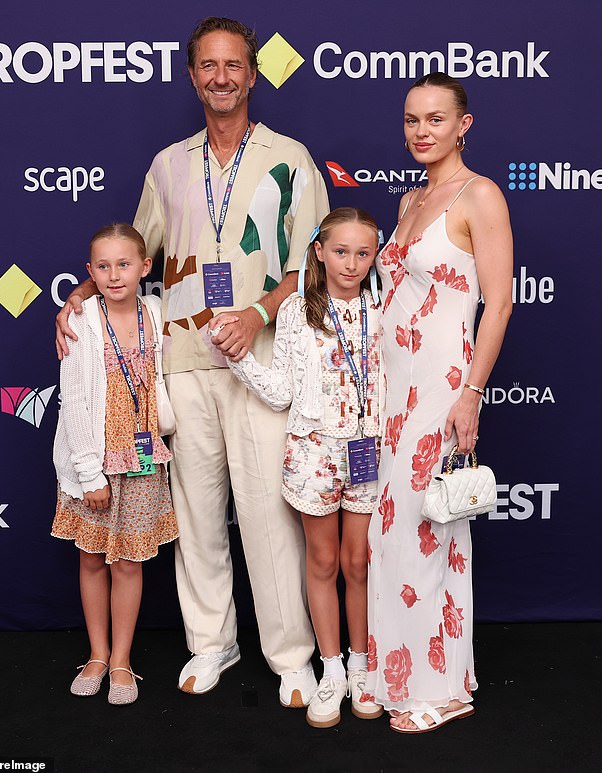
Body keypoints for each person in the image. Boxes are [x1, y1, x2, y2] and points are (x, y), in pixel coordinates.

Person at [55, 17, 328, 706]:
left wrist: (258, 313)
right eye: (208, 65)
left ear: (252, 75)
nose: (221, 76)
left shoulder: (291, 158)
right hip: (181, 360)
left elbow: (314, 265)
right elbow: (134, 247)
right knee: (199, 516)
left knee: (269, 514)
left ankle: (291, 655)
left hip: (265, 361)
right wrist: (80, 294)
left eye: (233, 64)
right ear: (192, 76)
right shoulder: (168, 164)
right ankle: (212, 641)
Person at [365, 72, 513, 733]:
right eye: (409, 120)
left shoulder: (480, 195)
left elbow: (498, 300)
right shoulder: (409, 200)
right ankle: (394, 669)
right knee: (389, 530)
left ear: (464, 124)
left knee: (428, 530)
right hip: (393, 388)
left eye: (434, 119)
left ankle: (442, 686)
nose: (420, 131)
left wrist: (471, 392)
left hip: (441, 384)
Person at [225, 208, 384, 728]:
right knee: (323, 561)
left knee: (358, 562)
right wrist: (237, 357)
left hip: (367, 451)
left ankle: (362, 669)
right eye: (341, 251)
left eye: (364, 253)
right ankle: (332, 670)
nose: (352, 263)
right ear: (318, 251)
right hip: (313, 454)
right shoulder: (296, 311)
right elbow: (281, 392)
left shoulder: (383, 307)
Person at [52, 224, 178, 705]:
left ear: (145, 268)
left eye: (123, 264)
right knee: (91, 559)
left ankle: (122, 659)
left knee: (128, 562)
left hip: (143, 460)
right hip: (94, 463)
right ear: (89, 273)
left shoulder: (156, 312)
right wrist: (89, 474)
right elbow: (75, 402)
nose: (113, 274)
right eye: (102, 266)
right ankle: (97, 654)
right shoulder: (80, 322)